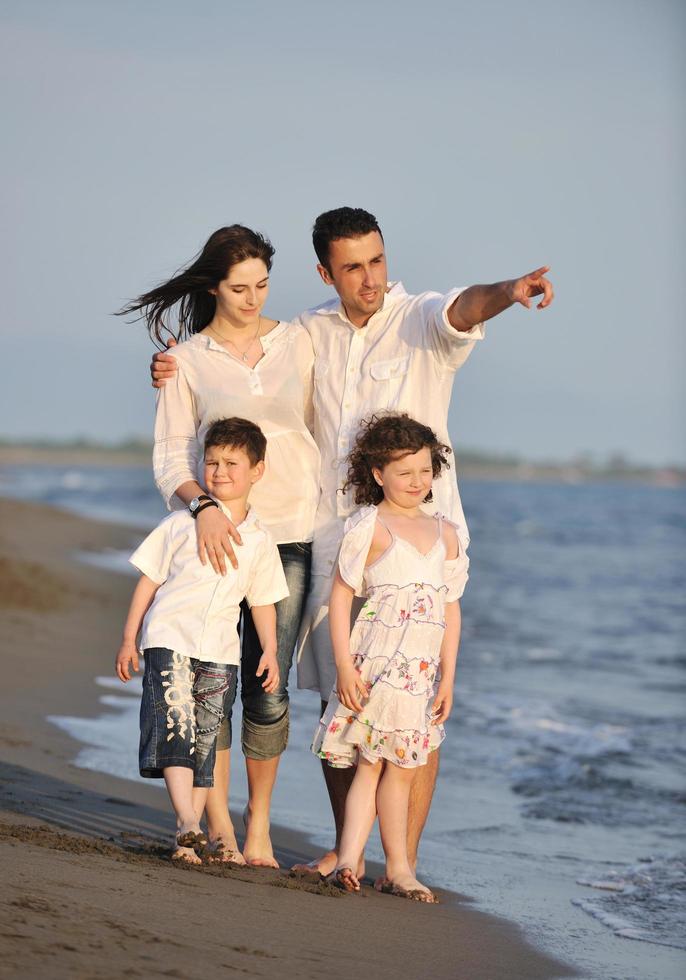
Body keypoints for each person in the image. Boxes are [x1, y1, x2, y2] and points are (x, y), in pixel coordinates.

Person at [150, 207, 554, 877]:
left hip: (419, 544)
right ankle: (349, 851)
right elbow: (247, 385)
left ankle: (404, 859)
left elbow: (463, 309)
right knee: (345, 694)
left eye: (377, 261)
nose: (369, 279)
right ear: (326, 273)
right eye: (352, 267)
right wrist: (174, 367)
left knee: (414, 700)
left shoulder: (420, 317)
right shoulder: (309, 332)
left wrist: (508, 291)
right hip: (332, 537)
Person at [120, 225, 320, 867]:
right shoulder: (189, 360)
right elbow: (169, 457)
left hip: (289, 533)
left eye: (262, 284)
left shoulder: (301, 341)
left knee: (270, 685)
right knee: (214, 680)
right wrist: (203, 508)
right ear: (214, 287)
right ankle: (219, 830)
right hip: (214, 539)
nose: (253, 298)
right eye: (239, 288)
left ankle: (258, 825)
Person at [115, 418, 289, 864]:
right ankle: (191, 823)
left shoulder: (260, 541)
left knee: (205, 744)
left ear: (258, 471)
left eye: (232, 462)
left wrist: (269, 649)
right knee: (176, 729)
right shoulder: (178, 524)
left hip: (220, 652)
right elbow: (148, 581)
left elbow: (263, 602)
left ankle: (184, 835)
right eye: (211, 462)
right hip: (168, 638)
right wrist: (128, 638)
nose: (219, 471)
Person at [312, 413, 464, 902]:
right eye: (404, 472)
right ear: (378, 475)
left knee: (401, 771)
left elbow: (451, 610)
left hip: (419, 677)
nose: (417, 482)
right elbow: (340, 598)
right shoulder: (367, 526)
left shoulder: (447, 533)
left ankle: (399, 868)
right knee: (368, 766)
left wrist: (448, 680)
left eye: (424, 470)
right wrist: (343, 666)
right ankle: (350, 859)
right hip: (374, 668)